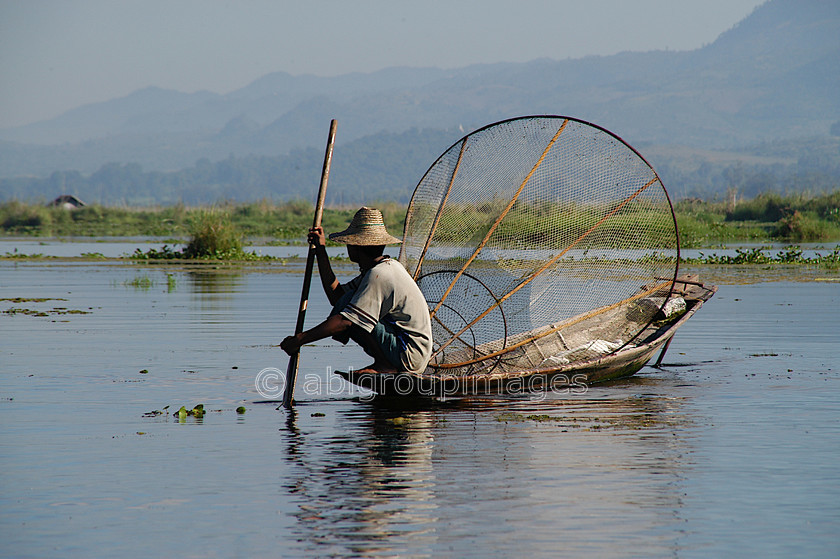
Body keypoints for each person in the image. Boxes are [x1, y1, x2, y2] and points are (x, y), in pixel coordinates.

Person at [280, 207, 433, 374]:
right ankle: (383, 362)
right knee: (349, 302)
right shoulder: (378, 270)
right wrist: (321, 251)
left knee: (350, 314)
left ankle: (384, 365)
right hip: (407, 351)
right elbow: (337, 297)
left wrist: (299, 339)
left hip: (408, 355)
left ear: (355, 247)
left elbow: (345, 321)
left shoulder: (380, 274)